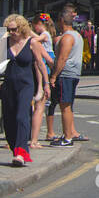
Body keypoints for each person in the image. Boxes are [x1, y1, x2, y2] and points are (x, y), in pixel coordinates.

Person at [0, 14, 47, 167]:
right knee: (8, 120)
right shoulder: (4, 42)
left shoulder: (32, 43)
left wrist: (44, 85)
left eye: (14, 29)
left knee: (21, 117)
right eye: (9, 29)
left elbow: (40, 64)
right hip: (8, 85)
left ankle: (21, 152)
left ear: (21, 28)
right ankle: (15, 149)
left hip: (26, 85)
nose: (11, 32)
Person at [47, 6, 88, 145]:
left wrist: (53, 76)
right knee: (68, 106)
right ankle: (69, 134)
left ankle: (67, 138)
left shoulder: (67, 38)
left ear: (61, 20)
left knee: (64, 106)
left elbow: (62, 59)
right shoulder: (77, 36)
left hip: (66, 75)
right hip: (73, 74)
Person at [31, 13, 57, 147]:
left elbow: (37, 39)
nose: (34, 29)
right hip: (46, 57)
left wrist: (28, 32)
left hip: (46, 57)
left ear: (40, 24)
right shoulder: (47, 34)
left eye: (35, 26)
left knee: (39, 67)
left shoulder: (45, 34)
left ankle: (41, 86)